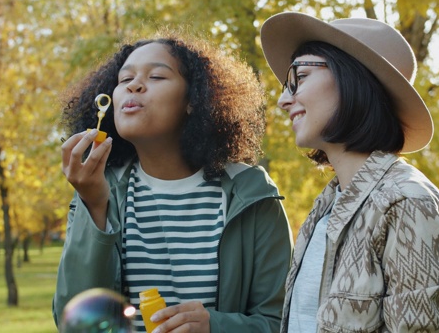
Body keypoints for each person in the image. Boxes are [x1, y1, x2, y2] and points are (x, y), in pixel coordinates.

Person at [53, 30, 293, 333]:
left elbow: (281, 321)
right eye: (124, 80)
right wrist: (94, 205)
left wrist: (214, 327)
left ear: (193, 100)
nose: (134, 86)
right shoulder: (99, 190)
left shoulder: (251, 194)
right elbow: (74, 320)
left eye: (156, 77)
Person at [260, 12, 439, 332]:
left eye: (299, 78)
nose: (282, 100)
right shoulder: (325, 207)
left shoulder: (406, 202)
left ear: (352, 79)